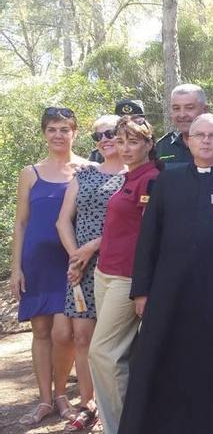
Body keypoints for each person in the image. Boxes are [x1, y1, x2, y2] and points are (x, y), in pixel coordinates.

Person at [119, 114, 213, 434]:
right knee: (160, 362)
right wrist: (142, 291)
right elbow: (148, 237)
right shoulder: (167, 181)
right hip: (169, 292)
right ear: (188, 141)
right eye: (199, 135)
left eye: (212, 136)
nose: (205, 140)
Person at [10, 107, 88, 426]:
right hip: (37, 262)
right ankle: (44, 400)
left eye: (64, 129)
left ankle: (61, 395)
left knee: (65, 332)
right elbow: (21, 222)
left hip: (71, 263)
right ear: (44, 133)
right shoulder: (31, 172)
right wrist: (16, 268)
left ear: (74, 132)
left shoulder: (87, 168)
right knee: (40, 331)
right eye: (52, 129)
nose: (58, 135)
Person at [88, 115, 161, 434]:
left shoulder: (151, 179)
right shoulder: (127, 177)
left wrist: (143, 287)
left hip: (127, 278)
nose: (126, 148)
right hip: (104, 273)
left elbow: (152, 237)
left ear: (149, 144)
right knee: (119, 355)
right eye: (121, 141)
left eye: (134, 141)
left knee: (102, 353)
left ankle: (122, 427)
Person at [55, 114, 126, 432]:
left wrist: (89, 249)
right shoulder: (82, 175)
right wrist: (75, 257)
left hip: (117, 266)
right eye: (99, 136)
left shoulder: (134, 174)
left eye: (112, 133)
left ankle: (118, 404)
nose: (106, 139)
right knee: (82, 336)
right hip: (79, 269)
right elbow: (62, 221)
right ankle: (88, 403)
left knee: (114, 343)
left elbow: (132, 225)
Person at [155, 83, 209, 168]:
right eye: (176, 108)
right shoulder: (162, 147)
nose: (182, 115)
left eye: (189, 108)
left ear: (205, 110)